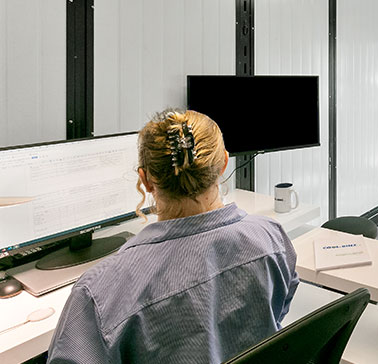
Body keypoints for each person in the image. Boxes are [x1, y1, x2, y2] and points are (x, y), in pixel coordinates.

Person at [48, 109, 299, 363]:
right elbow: (277, 313)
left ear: (145, 180)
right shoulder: (271, 237)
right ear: (223, 163)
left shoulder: (98, 295)